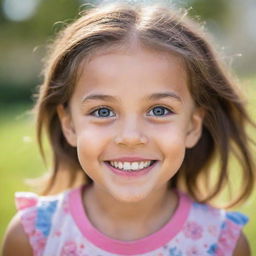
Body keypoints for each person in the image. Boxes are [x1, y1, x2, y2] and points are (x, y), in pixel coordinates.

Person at [2, 1, 255, 255]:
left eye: (159, 110)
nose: (130, 137)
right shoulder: (32, 238)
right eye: (103, 111)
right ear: (69, 125)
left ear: (191, 126)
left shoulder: (223, 243)